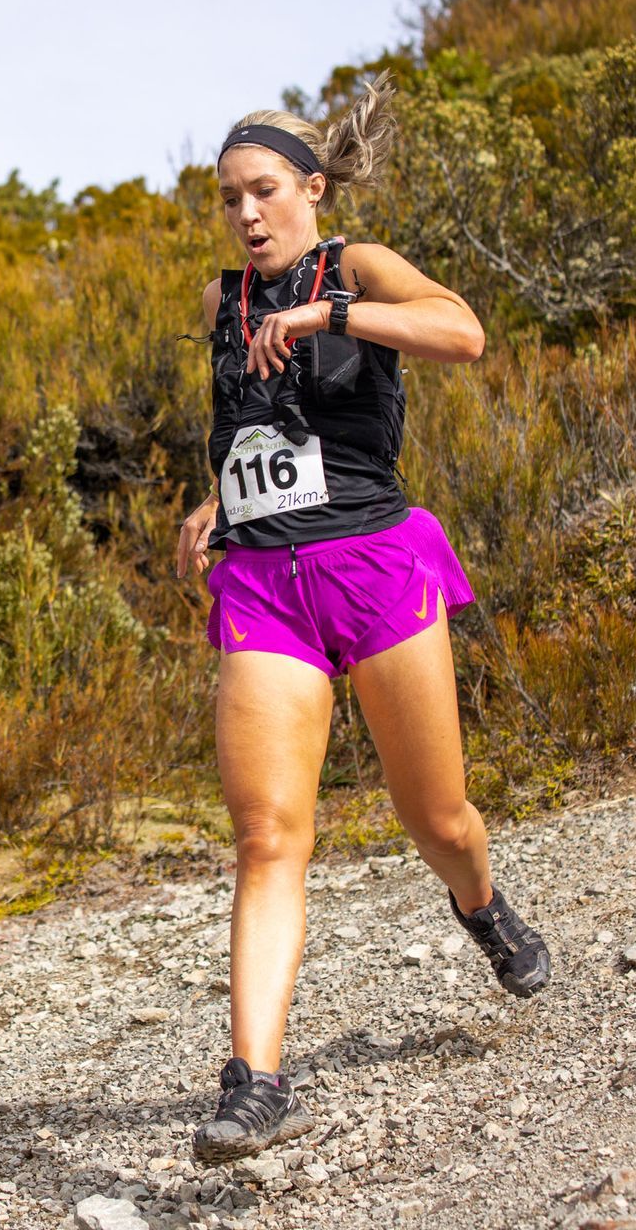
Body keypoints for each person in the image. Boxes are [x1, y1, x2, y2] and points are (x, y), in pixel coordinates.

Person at [176, 77, 552, 1164]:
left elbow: (463, 334)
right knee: (267, 836)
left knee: (437, 819)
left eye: (263, 192)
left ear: (311, 187)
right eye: (229, 199)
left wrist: (327, 312)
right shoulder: (219, 300)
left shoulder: (358, 266)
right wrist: (214, 501)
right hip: (262, 583)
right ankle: (255, 1080)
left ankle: (481, 905)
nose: (246, 215)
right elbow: (242, 424)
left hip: (376, 564)